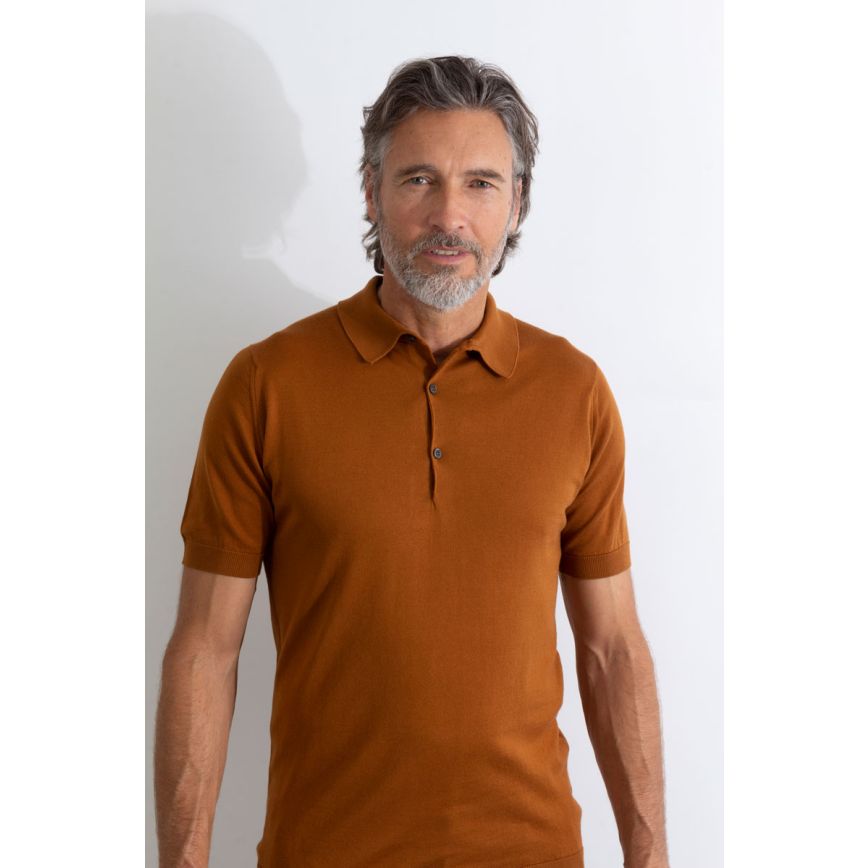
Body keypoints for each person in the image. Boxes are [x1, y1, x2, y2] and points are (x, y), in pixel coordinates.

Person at [154, 55, 670, 868]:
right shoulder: (266, 385)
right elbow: (204, 652)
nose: (448, 216)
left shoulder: (575, 393)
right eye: (419, 180)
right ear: (372, 191)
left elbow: (612, 650)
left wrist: (651, 854)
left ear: (517, 202)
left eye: (481, 184)